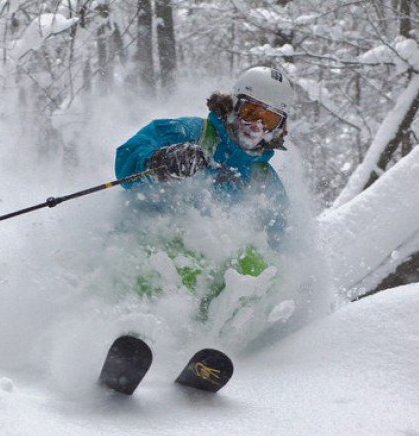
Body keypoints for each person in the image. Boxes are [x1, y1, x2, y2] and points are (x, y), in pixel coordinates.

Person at [112, 66, 295, 320]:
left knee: (258, 266)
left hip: (208, 281)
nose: (256, 126)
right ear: (233, 106)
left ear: (278, 129)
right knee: (179, 256)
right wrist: (162, 159)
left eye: (268, 120)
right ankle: (138, 325)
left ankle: (226, 339)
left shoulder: (262, 178)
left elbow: (281, 241)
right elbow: (126, 159)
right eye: (250, 112)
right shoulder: (190, 133)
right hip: (149, 243)